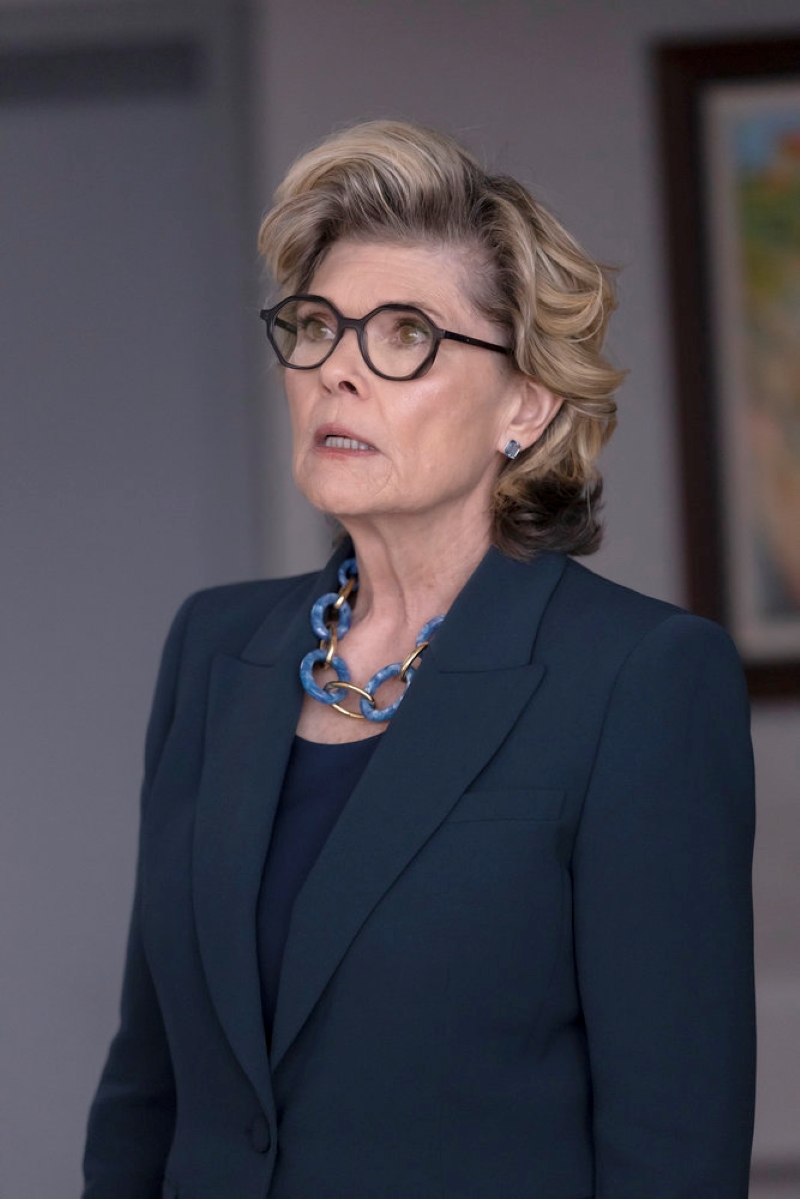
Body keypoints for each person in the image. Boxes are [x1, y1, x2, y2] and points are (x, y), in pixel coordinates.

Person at [82, 120, 756, 1199]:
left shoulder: (641, 678)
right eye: (315, 327)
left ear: (526, 402)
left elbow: (672, 1144)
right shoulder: (214, 647)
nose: (335, 372)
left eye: (404, 335)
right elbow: (147, 1086)